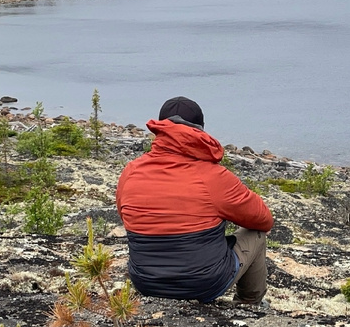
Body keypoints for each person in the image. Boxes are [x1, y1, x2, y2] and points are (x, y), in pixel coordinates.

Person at [116, 96, 273, 305]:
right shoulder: (212, 176)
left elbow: (125, 216)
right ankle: (249, 304)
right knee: (256, 234)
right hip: (204, 284)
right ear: (201, 129)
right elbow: (263, 219)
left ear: (161, 128)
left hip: (146, 282)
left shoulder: (131, 171)